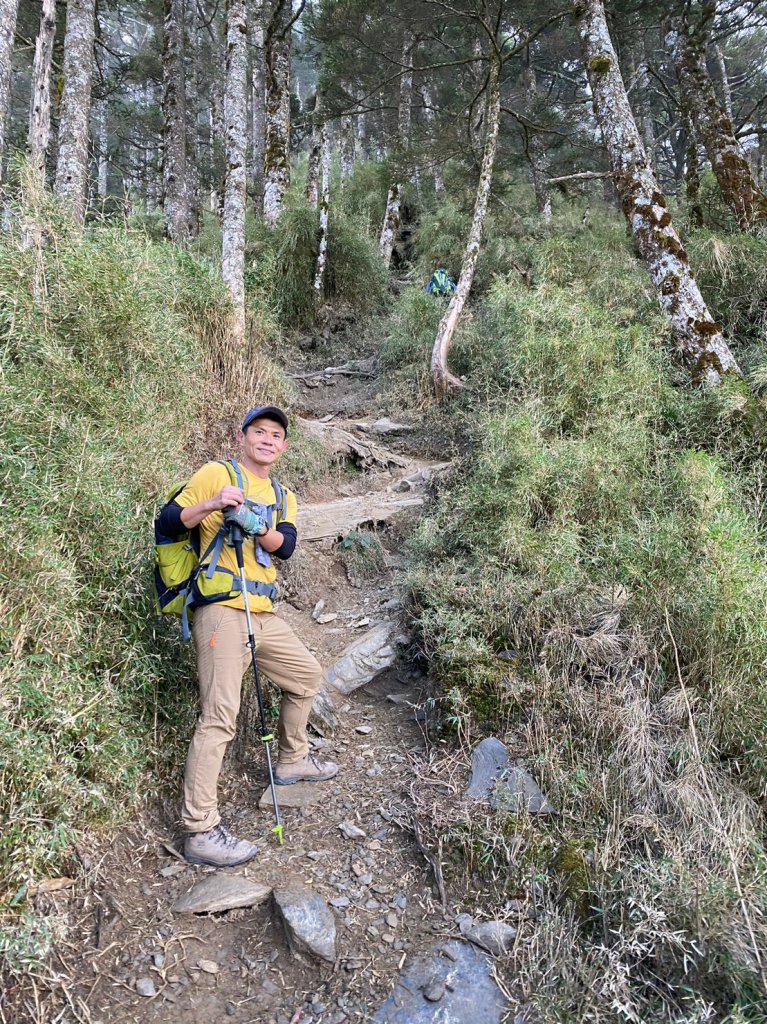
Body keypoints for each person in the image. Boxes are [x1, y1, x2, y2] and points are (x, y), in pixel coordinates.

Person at [158, 406, 338, 867]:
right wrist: (216, 505)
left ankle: (292, 759)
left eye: (276, 435)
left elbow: (289, 546)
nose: (267, 440)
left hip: (262, 611)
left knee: (305, 676)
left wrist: (260, 528)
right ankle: (199, 829)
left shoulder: (282, 494)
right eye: (259, 432)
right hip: (221, 609)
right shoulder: (217, 473)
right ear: (242, 437)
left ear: (283, 447)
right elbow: (169, 521)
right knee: (220, 716)